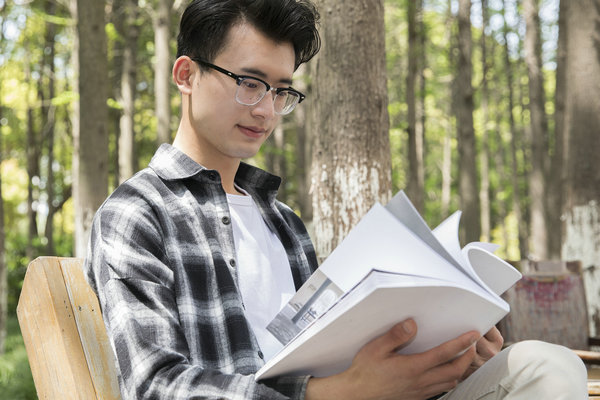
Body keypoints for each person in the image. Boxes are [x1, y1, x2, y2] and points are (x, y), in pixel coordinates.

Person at [84, 0, 588, 399]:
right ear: (187, 75)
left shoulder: (284, 223)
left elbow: (335, 357)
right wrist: (331, 395)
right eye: (249, 83)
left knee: (544, 367)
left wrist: (446, 356)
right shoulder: (139, 214)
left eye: (282, 90)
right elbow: (154, 385)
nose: (265, 110)